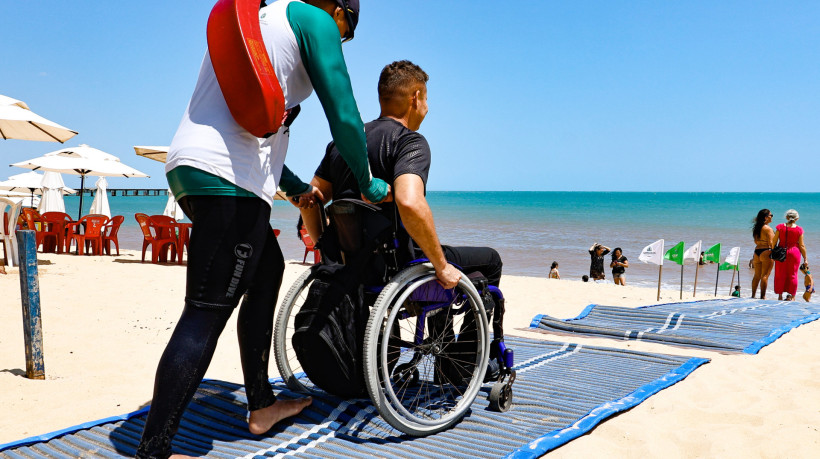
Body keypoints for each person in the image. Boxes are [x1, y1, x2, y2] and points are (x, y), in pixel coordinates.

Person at [136, 1, 390, 458]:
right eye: (347, 31)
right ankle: (154, 451)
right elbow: (345, 113)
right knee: (205, 312)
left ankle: (261, 405)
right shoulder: (314, 20)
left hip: (190, 167)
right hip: (227, 178)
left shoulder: (261, 20)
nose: (342, 39)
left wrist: (294, 189)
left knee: (267, 270)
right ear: (339, 10)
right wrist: (368, 180)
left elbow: (253, 127)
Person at [300, 60, 502, 292]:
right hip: (398, 264)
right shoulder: (408, 142)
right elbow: (409, 202)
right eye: (426, 99)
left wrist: (328, 252)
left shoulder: (341, 144)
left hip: (350, 265)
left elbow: (309, 201)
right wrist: (442, 266)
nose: (427, 108)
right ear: (416, 98)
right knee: (491, 260)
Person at [772, 209, 808, 301]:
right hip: (794, 252)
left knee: (780, 274)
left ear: (787, 217)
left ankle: (780, 296)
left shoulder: (780, 227)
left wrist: (773, 251)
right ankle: (792, 296)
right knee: (793, 274)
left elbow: (774, 241)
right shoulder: (799, 229)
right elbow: (802, 245)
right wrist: (805, 258)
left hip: (781, 253)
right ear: (797, 218)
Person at [751, 209, 776, 299]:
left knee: (757, 275)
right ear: (766, 217)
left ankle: (753, 295)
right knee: (765, 276)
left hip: (757, 251)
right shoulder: (768, 229)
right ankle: (763, 296)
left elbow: (756, 241)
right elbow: (771, 243)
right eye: (771, 215)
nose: (772, 217)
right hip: (766, 251)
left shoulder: (756, 228)